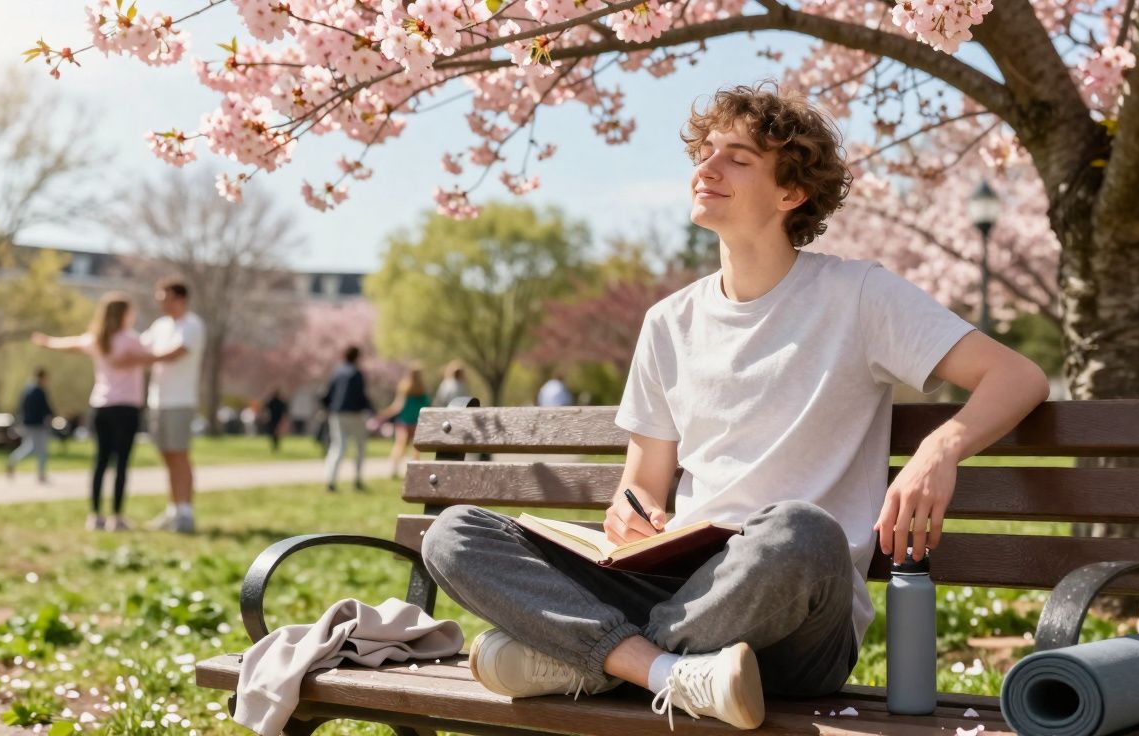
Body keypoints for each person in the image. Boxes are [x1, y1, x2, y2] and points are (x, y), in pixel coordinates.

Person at [419, 84, 1051, 730]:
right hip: (678, 588)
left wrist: (936, 451)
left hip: (794, 613)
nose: (707, 168)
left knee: (799, 530)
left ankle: (597, 660)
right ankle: (662, 671)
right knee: (455, 533)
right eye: (706, 152)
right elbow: (642, 486)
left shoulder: (859, 296)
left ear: (791, 192)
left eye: (738, 157)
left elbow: (1016, 376)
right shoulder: (670, 322)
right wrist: (631, 515)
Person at [32, 293, 157, 531]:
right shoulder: (130, 339)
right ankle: (117, 517)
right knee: (121, 462)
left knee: (100, 461)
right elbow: (152, 356)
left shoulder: (97, 339)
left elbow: (70, 344)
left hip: (101, 407)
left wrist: (47, 341)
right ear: (124, 314)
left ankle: (95, 515)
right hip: (127, 408)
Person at [141, 277, 206, 534]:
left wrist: (141, 357)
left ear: (180, 299)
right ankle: (173, 509)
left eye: (164, 299)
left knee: (180, 455)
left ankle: (186, 512)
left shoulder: (192, 325)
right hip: (158, 399)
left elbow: (175, 353)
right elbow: (140, 345)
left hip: (180, 400)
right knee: (167, 456)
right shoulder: (160, 325)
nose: (161, 304)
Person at [321, 346, 374, 492]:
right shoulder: (356, 374)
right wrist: (371, 410)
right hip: (355, 414)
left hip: (337, 414)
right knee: (359, 447)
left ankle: (330, 480)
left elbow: (328, 394)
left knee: (338, 446)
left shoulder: (337, 372)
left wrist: (328, 408)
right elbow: (361, 396)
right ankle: (357, 480)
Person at [378, 365, 431, 479]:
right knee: (416, 448)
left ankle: (394, 469)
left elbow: (398, 406)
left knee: (399, 446)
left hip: (404, 422)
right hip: (417, 422)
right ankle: (415, 470)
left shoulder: (405, 388)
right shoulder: (422, 390)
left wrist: (385, 413)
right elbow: (427, 405)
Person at [6, 368, 54, 484]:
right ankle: (41, 475)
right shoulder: (39, 391)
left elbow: (21, 407)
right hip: (38, 424)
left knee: (30, 447)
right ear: (42, 377)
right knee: (42, 450)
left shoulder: (26, 390)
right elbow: (46, 408)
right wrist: (52, 416)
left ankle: (12, 461)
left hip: (27, 424)